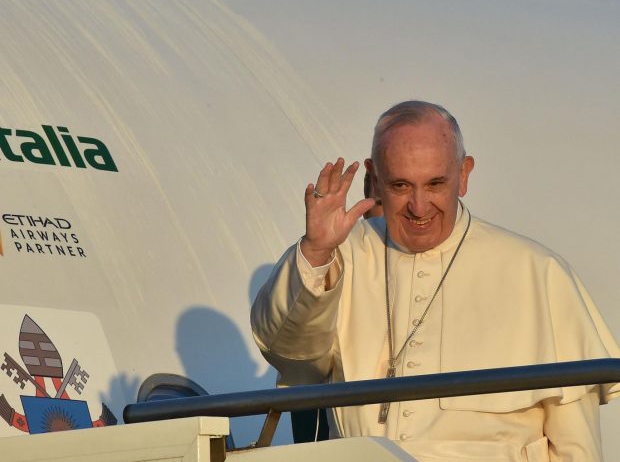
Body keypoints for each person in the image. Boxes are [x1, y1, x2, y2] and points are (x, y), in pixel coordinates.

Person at [251, 100, 620, 461]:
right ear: (375, 179)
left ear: (464, 175)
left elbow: (577, 445)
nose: (419, 206)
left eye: (435, 184)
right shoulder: (343, 255)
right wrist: (315, 252)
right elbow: (290, 356)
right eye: (399, 186)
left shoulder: (538, 271)